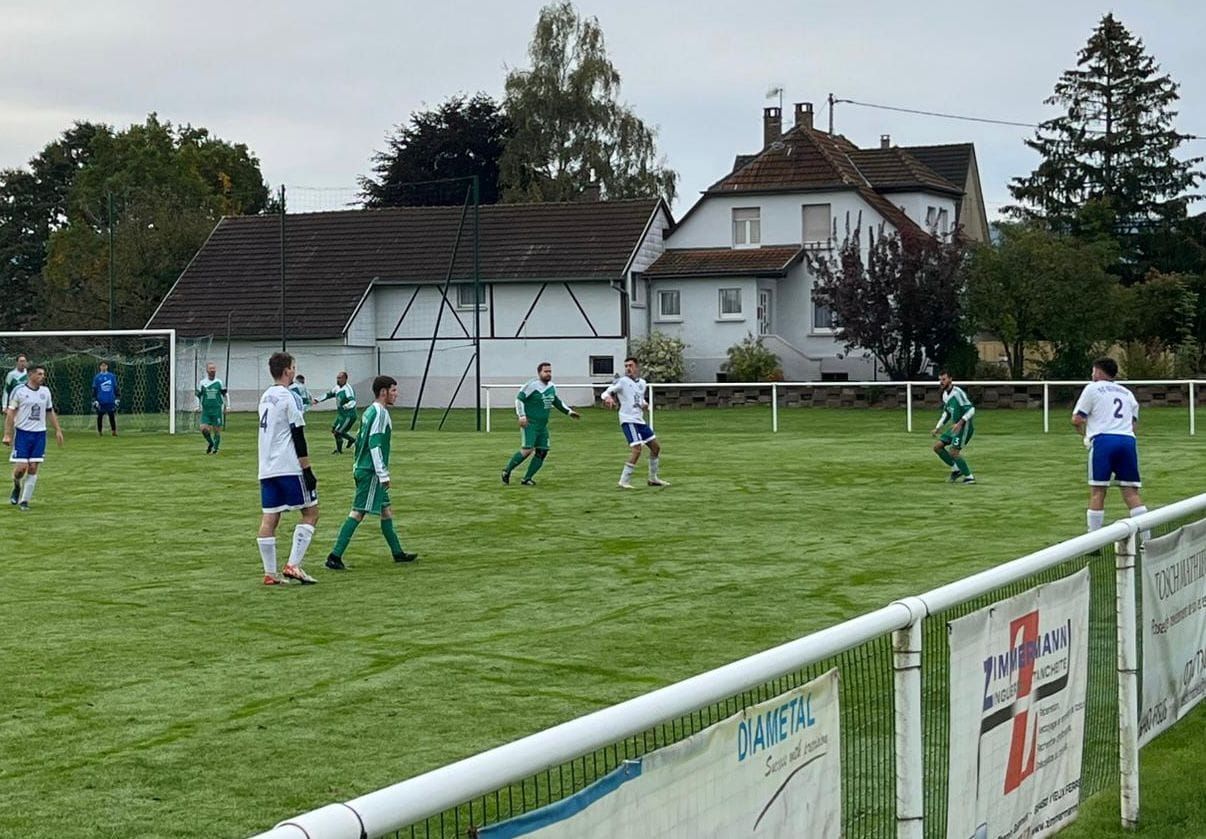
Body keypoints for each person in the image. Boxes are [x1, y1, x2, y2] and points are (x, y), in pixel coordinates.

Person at [325, 375, 417, 569]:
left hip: (363, 467)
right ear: (383, 392)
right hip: (370, 471)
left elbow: (360, 441)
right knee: (358, 512)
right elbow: (374, 444)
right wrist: (382, 474)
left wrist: (357, 464)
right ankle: (334, 556)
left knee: (386, 511)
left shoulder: (369, 411)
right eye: (393, 390)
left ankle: (398, 553)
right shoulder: (380, 413)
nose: (396, 394)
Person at [256, 351, 319, 585]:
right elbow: (298, 434)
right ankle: (293, 565)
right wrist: (307, 470)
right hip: (289, 467)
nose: (294, 371)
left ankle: (270, 574)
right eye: (293, 367)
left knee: (270, 517)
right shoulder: (288, 397)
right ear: (287, 371)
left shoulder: (265, 397)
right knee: (311, 512)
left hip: (266, 468)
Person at [1072, 357, 1147, 534]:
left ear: (1098, 372)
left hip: (1104, 441)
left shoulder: (1092, 388)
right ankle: (1147, 539)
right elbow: (1133, 424)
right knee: (1131, 492)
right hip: (1127, 441)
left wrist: (1085, 436)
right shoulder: (1127, 393)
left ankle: (1093, 540)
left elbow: (1077, 419)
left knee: (1098, 490)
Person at [502, 362, 581, 486]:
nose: (548, 374)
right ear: (539, 373)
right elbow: (519, 399)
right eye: (545, 371)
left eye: (550, 371)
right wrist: (522, 415)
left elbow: (556, 401)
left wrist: (569, 412)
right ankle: (507, 471)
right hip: (530, 424)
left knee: (542, 451)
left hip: (542, 425)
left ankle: (527, 478)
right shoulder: (532, 385)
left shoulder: (551, 387)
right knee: (527, 450)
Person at [600, 356, 670, 489]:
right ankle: (623, 481)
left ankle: (653, 478)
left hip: (639, 420)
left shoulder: (642, 383)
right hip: (628, 420)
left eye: (630, 366)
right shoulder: (622, 381)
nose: (628, 368)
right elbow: (606, 393)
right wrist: (608, 398)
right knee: (637, 449)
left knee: (656, 448)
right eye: (626, 366)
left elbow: (638, 398)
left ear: (637, 367)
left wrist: (644, 404)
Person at [3, 365, 64, 511]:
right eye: (39, 374)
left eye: (43, 374)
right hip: (23, 433)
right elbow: (10, 413)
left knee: (33, 467)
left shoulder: (45, 391)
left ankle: (24, 501)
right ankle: (16, 485)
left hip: (39, 434)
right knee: (21, 469)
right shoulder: (19, 391)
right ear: (31, 375)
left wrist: (58, 430)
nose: (43, 377)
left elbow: (49, 411)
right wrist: (7, 434)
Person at [931, 370, 976, 484]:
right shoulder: (945, 395)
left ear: (950, 379)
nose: (941, 382)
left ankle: (969, 477)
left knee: (954, 452)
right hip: (955, 427)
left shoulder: (958, 393)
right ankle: (956, 469)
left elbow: (971, 410)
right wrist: (938, 427)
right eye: (940, 380)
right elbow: (946, 413)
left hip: (964, 426)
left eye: (944, 379)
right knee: (937, 447)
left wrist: (960, 423)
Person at [316, 371, 357, 454]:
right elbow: (329, 395)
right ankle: (351, 440)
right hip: (341, 415)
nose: (338, 380)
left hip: (349, 415)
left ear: (345, 379)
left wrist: (346, 406)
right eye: (337, 378)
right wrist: (317, 400)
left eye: (340, 378)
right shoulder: (337, 388)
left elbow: (353, 401)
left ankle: (340, 450)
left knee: (338, 432)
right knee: (334, 429)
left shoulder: (348, 389)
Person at [196, 362, 227, 454]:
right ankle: (211, 443)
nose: (212, 370)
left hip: (216, 409)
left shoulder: (219, 382)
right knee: (203, 429)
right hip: (206, 410)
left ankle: (215, 449)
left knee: (216, 430)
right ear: (207, 370)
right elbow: (198, 395)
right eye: (210, 368)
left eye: (214, 368)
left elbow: (225, 394)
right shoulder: (202, 383)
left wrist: (228, 406)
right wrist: (197, 405)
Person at [92, 361, 120, 436]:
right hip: (101, 400)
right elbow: (94, 389)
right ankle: (100, 431)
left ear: (107, 367)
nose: (103, 367)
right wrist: (95, 399)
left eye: (105, 366)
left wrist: (117, 397)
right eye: (102, 366)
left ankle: (114, 431)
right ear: (100, 367)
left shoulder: (111, 376)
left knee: (111, 415)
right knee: (100, 416)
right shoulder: (97, 377)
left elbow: (115, 387)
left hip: (110, 400)